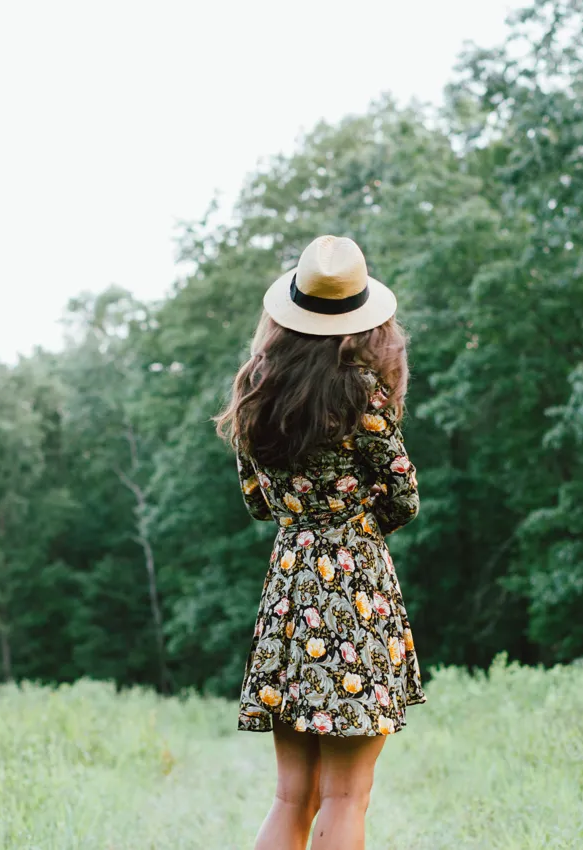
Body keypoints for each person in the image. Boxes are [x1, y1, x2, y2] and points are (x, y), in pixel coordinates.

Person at [215, 234, 427, 850]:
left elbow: (258, 501)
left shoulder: (256, 390)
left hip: (289, 586)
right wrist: (355, 528)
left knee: (291, 798)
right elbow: (404, 495)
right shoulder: (362, 392)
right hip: (356, 582)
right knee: (345, 797)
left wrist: (305, 523)